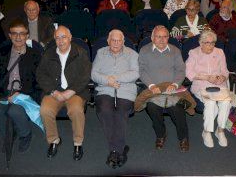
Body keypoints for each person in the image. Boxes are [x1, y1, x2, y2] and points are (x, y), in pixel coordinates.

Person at [36, 25, 91, 160]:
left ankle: (78, 142)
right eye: (57, 38)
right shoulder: (49, 54)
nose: (61, 41)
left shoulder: (80, 52)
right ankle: (54, 140)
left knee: (76, 110)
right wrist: (54, 92)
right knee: (45, 110)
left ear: (70, 38)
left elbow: (86, 75)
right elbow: (40, 75)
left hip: (75, 92)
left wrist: (71, 91)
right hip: (54, 92)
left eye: (64, 37)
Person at [91, 29, 139, 168]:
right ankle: (119, 150)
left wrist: (116, 78)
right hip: (105, 89)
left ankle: (114, 151)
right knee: (104, 111)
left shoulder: (132, 54)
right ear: (108, 41)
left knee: (120, 113)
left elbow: (135, 73)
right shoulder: (101, 53)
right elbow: (94, 74)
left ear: (123, 42)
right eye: (113, 40)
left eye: (119, 40)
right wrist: (107, 81)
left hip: (125, 89)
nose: (116, 43)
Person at [0, 19, 41, 153]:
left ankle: (25, 134)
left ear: (27, 36)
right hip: (4, 92)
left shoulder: (35, 55)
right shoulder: (2, 53)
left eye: (22, 33)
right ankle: (10, 132)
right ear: (10, 35)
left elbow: (40, 83)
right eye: (14, 33)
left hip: (25, 95)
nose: (18, 37)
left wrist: (21, 94)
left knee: (15, 111)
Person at [138, 25, 190, 152]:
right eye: (158, 36)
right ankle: (161, 134)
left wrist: (175, 84)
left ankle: (183, 137)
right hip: (154, 89)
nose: (161, 39)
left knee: (177, 108)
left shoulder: (175, 50)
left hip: (172, 89)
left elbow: (181, 70)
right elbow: (142, 70)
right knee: (152, 107)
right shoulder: (144, 50)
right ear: (152, 37)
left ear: (169, 37)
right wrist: (151, 86)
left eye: (165, 36)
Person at [186, 29, 231, 148]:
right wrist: (206, 77)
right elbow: (189, 73)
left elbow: (225, 71)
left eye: (213, 43)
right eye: (207, 43)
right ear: (201, 43)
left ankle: (220, 130)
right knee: (211, 104)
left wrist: (222, 77)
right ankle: (207, 132)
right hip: (201, 85)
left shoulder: (220, 52)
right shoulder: (194, 53)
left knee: (226, 102)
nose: (210, 46)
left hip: (218, 85)